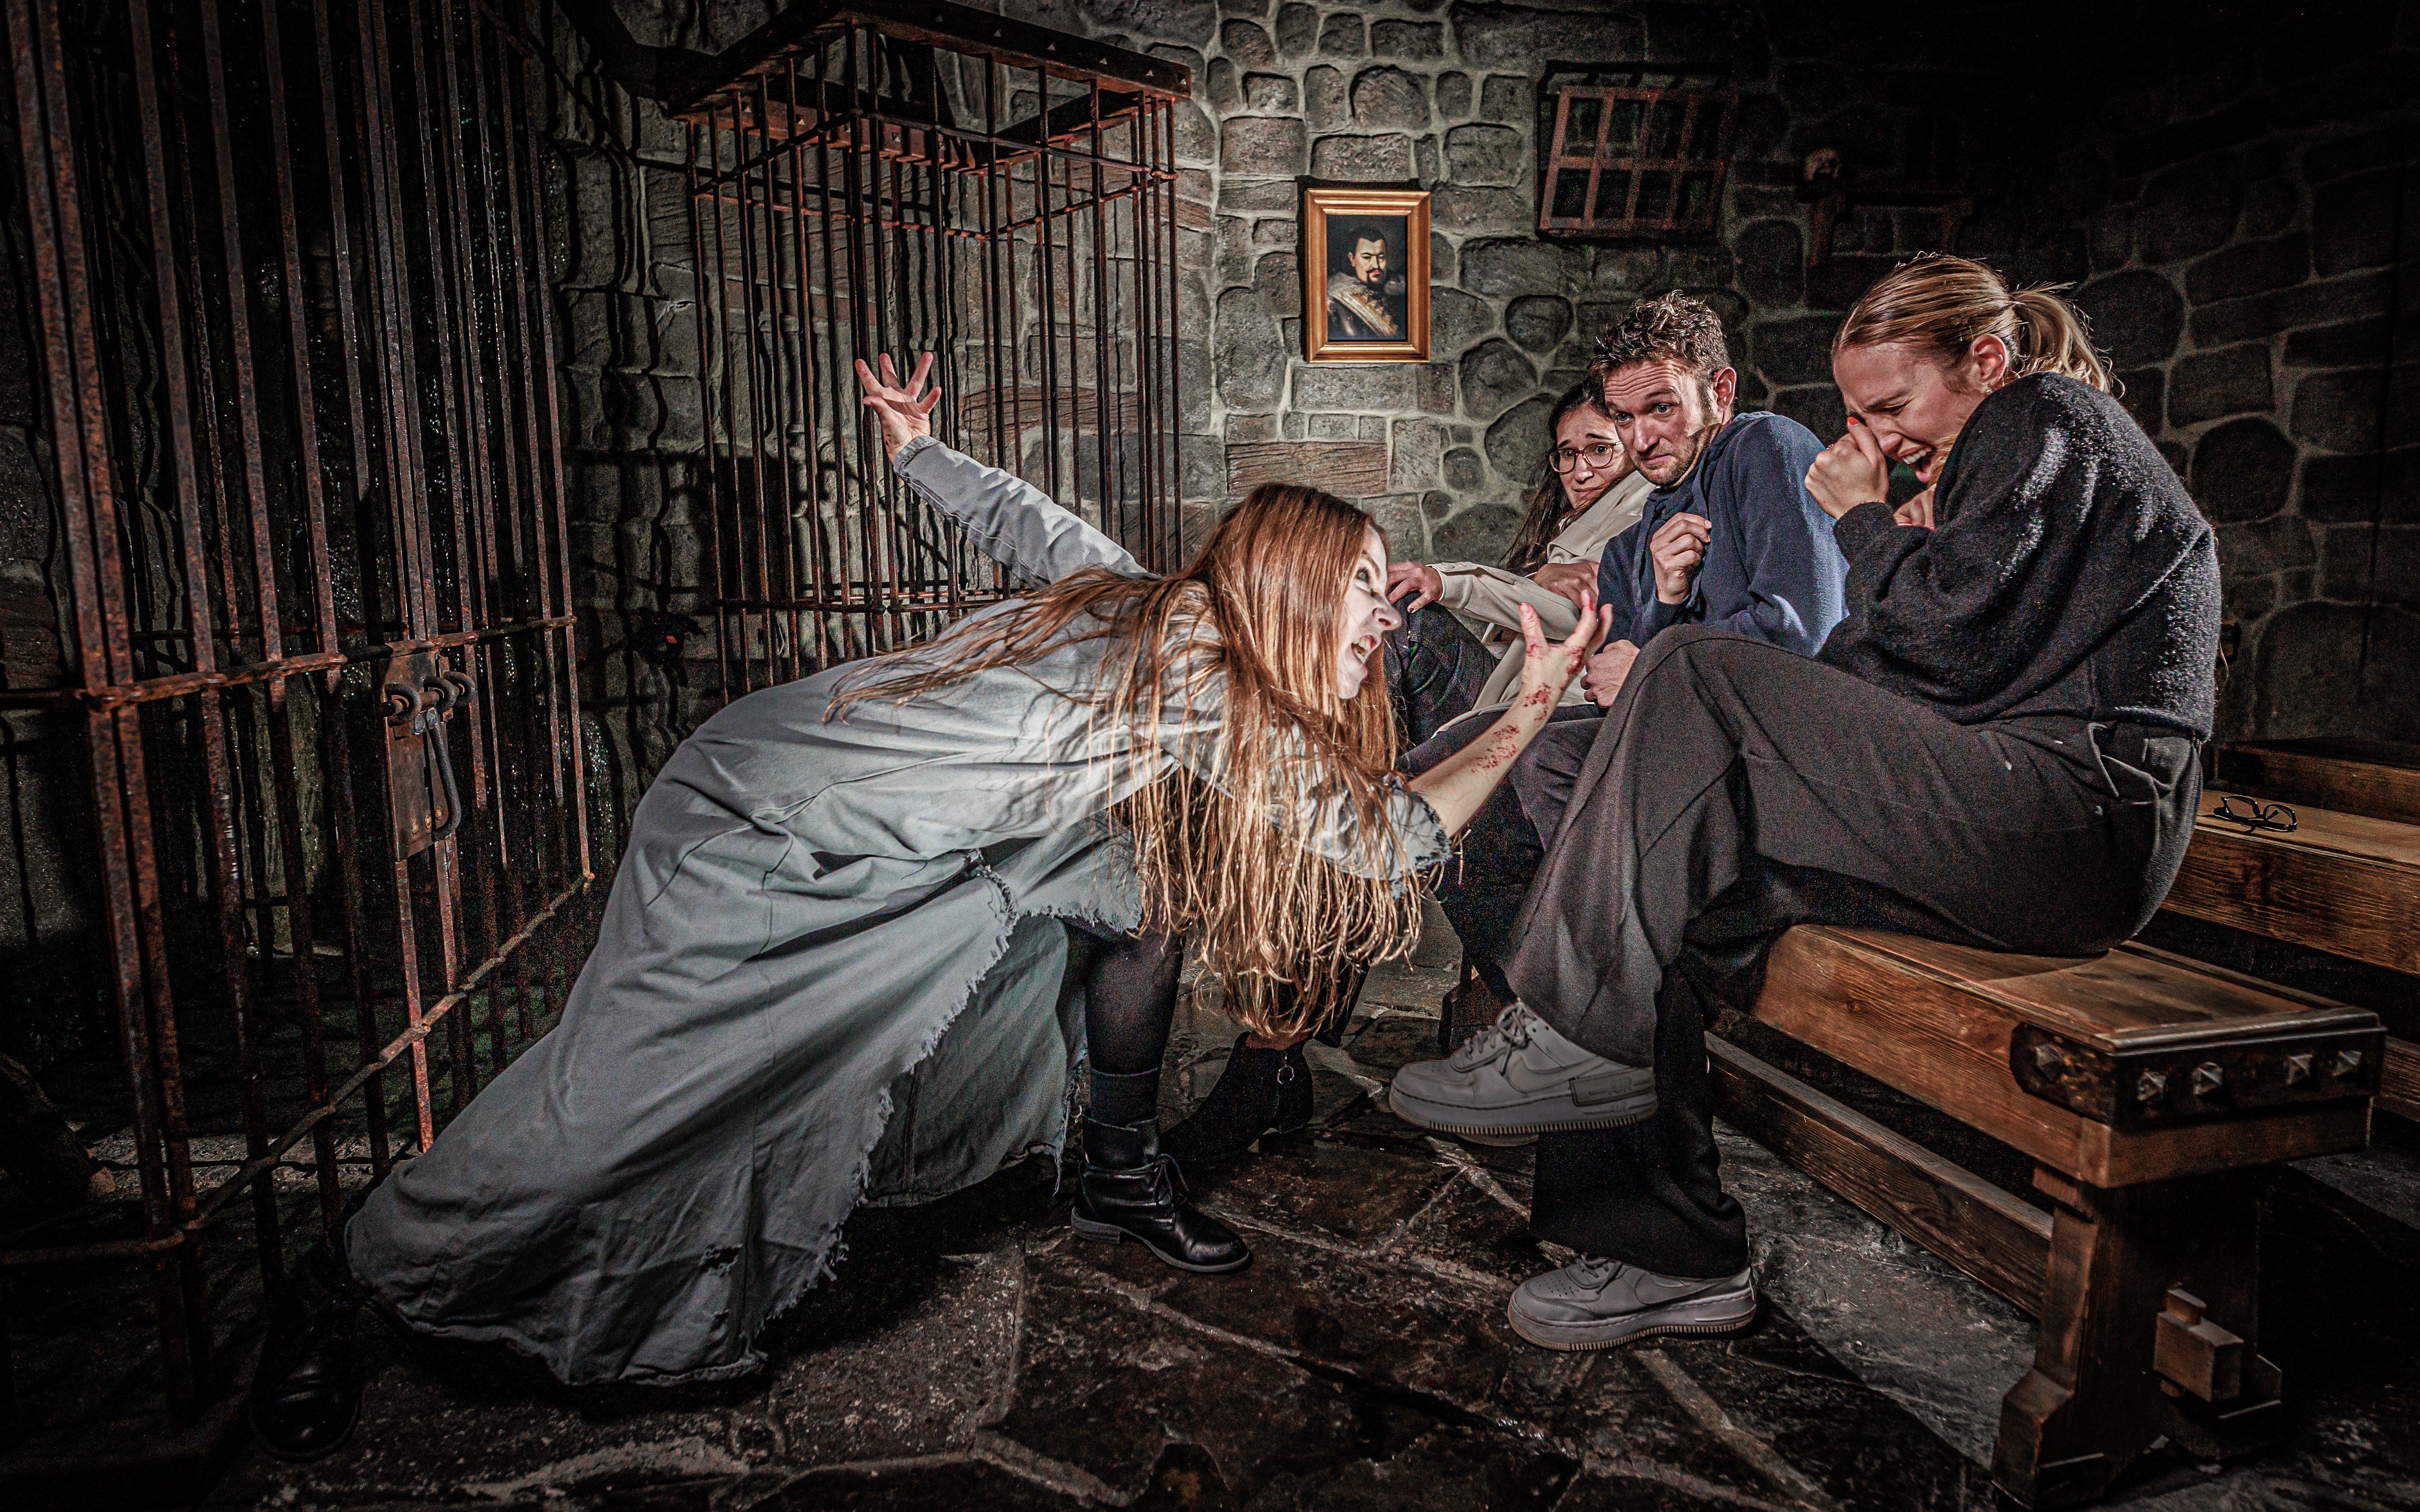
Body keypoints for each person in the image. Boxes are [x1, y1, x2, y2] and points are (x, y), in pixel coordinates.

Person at [246, 354, 1607, 1458]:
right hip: (758, 831)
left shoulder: (1163, 610)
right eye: (1361, 584)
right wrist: (1530, 705)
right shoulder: (1199, 675)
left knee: (1143, 890)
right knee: (630, 1109)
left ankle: (1117, 1171)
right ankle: (346, 1278)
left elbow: (1026, 522)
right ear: (1289, 585)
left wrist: (917, 451)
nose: (1382, 614)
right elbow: (1380, 844)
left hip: (881, 847)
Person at [1385, 254, 2219, 1351]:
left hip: (2072, 821)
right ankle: (1670, 1248)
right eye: (1861, 416)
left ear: (1984, 359)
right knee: (1594, 811)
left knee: (1684, 676)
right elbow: (1890, 666)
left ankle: (1579, 1025)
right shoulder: (1975, 465)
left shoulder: (2042, 415)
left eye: (1891, 407)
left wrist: (1863, 519)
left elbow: (1935, 642)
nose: (1874, 438)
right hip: (1994, 803)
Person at [1161, 384, 1651, 1167]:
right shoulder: (1570, 524)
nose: (1580, 468)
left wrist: (1463, 580)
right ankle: (1280, 1025)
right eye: (1566, 454)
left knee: (1402, 641)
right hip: (1501, 703)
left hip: (1566, 724)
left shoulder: (1648, 510)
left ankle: (1273, 1049)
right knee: (1370, 781)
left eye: (1599, 448)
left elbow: (1586, 625)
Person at [1376, 293, 1848, 1055]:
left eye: (1660, 408)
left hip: (1771, 761)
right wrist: (1663, 599)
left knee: (1504, 763)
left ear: (1719, 390)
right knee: (1448, 781)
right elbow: (1612, 681)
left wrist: (1651, 650)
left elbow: (1805, 631)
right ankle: (1556, 1021)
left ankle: (1580, 1023)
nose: (1640, 437)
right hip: (1673, 748)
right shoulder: (1645, 532)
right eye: (1624, 418)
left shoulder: (1761, 446)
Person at [1327, 225, 1405, 341]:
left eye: (1381, 258)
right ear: (1352, 259)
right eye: (1367, 258)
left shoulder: (1402, 289)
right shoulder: (1339, 300)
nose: (1376, 265)